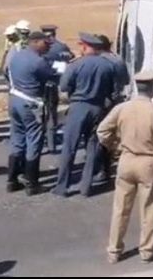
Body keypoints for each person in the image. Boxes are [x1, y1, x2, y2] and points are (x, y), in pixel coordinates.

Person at [97, 69, 153, 264]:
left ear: (137, 87)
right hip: (148, 163)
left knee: (120, 208)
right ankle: (147, 251)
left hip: (126, 159)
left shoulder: (122, 108)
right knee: (149, 208)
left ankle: (114, 251)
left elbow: (102, 131)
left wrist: (115, 147)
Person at [52, 33, 117, 198]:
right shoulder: (108, 65)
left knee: (69, 147)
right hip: (97, 107)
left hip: (78, 107)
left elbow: (65, 86)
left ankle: (62, 186)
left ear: (85, 46)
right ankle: (86, 187)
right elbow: (114, 90)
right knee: (92, 146)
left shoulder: (76, 65)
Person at [6, 31, 55, 195]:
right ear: (35, 42)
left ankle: (12, 180)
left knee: (17, 139)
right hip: (31, 103)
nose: (48, 46)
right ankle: (32, 182)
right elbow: (51, 77)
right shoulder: (38, 61)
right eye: (45, 43)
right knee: (34, 141)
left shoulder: (16, 57)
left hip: (15, 100)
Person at [94, 34, 131, 185]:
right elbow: (127, 80)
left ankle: (103, 169)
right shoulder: (118, 59)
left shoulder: (101, 61)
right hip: (118, 101)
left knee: (102, 134)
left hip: (105, 102)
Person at [41, 24, 73, 154]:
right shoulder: (61, 47)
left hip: (41, 84)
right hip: (55, 84)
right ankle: (51, 143)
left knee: (42, 114)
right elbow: (69, 58)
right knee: (51, 114)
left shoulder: (40, 47)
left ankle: (41, 141)